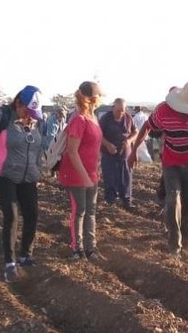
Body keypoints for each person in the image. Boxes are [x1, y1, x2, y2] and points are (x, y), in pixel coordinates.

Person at [131, 82, 188, 255]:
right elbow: (147, 127)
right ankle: (174, 245)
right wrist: (134, 150)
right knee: (173, 200)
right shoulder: (164, 110)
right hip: (171, 163)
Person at [0, 85, 44, 282]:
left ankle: (25, 255)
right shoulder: (1, 116)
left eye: (33, 113)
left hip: (28, 177)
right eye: (27, 111)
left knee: (32, 214)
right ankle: (9, 263)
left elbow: (38, 148)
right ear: (18, 103)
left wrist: (37, 169)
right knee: (11, 215)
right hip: (2, 174)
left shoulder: (36, 121)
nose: (30, 116)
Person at [58, 81, 104, 260]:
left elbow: (93, 145)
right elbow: (72, 151)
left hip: (91, 173)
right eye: (99, 95)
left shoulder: (93, 118)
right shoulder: (79, 120)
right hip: (77, 173)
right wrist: (84, 176)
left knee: (91, 211)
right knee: (80, 211)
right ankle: (77, 249)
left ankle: (91, 248)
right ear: (93, 98)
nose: (100, 98)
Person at [99, 98, 138, 209]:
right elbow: (98, 134)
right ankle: (110, 201)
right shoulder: (105, 119)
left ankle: (127, 200)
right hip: (109, 153)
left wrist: (129, 141)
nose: (120, 113)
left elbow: (135, 132)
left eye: (122, 111)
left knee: (126, 177)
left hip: (124, 153)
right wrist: (107, 144)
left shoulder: (128, 118)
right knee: (110, 176)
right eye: (118, 111)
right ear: (113, 108)